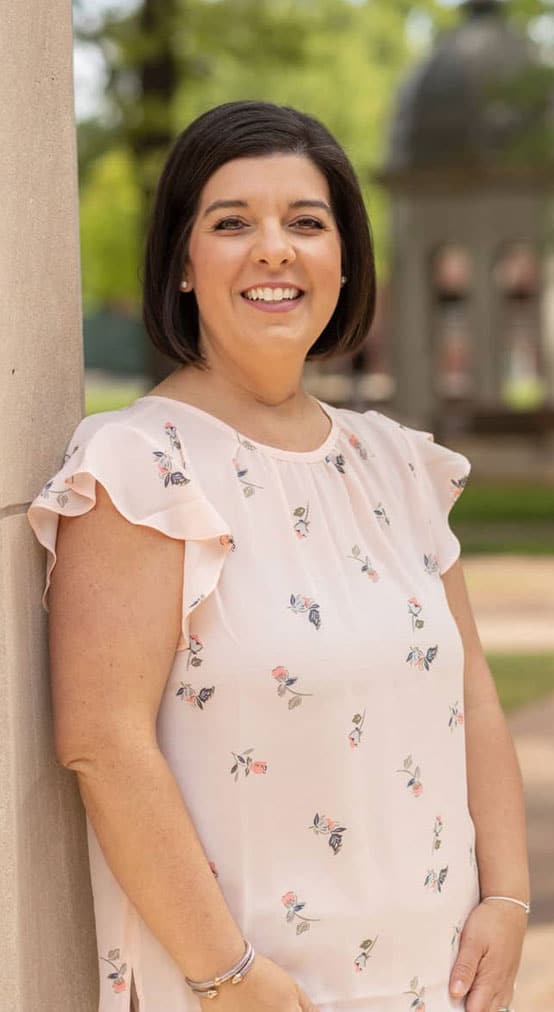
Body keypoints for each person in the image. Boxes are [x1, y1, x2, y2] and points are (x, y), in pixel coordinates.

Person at [27, 100, 529, 1012]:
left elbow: (475, 695)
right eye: (231, 224)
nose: (274, 249)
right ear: (183, 264)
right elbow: (103, 745)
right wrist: (229, 981)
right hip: (253, 992)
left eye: (306, 222)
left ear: (344, 262)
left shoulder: (402, 465)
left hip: (436, 982)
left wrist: (506, 895)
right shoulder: (140, 467)